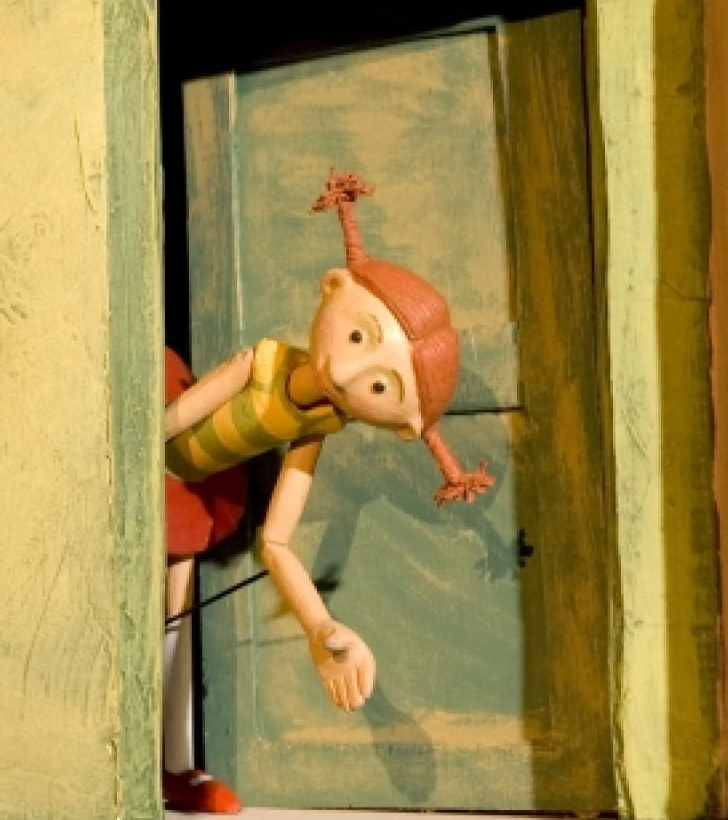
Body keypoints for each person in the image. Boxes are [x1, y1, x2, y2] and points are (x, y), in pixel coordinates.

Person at [158, 169, 492, 814]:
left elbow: (277, 544)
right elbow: (169, 422)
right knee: (166, 593)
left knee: (175, 619)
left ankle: (174, 766)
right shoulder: (261, 362)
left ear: (404, 427)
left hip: (196, 489)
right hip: (160, 450)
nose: (346, 367)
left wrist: (320, 627)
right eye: (360, 337)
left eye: (380, 386)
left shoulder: (315, 429)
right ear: (335, 285)